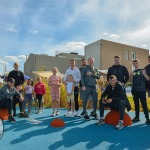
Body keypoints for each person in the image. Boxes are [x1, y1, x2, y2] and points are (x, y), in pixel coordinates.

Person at [130, 59, 150, 124]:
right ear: (133, 64)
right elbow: (131, 81)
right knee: (136, 104)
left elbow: (148, 79)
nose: (135, 65)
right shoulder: (133, 72)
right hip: (134, 90)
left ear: (139, 63)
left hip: (142, 90)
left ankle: (147, 118)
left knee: (144, 104)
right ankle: (137, 117)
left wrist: (144, 74)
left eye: (136, 63)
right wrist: (131, 76)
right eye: (134, 63)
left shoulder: (143, 70)